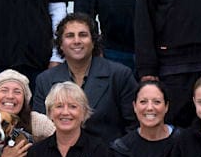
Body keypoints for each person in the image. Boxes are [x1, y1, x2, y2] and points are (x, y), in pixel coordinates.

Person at [32, 13, 137, 145]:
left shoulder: (119, 75)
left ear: (93, 42)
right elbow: (39, 128)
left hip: (109, 153)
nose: (77, 41)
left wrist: (118, 153)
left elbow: (134, 126)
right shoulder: (45, 80)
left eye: (83, 35)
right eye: (70, 36)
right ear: (61, 44)